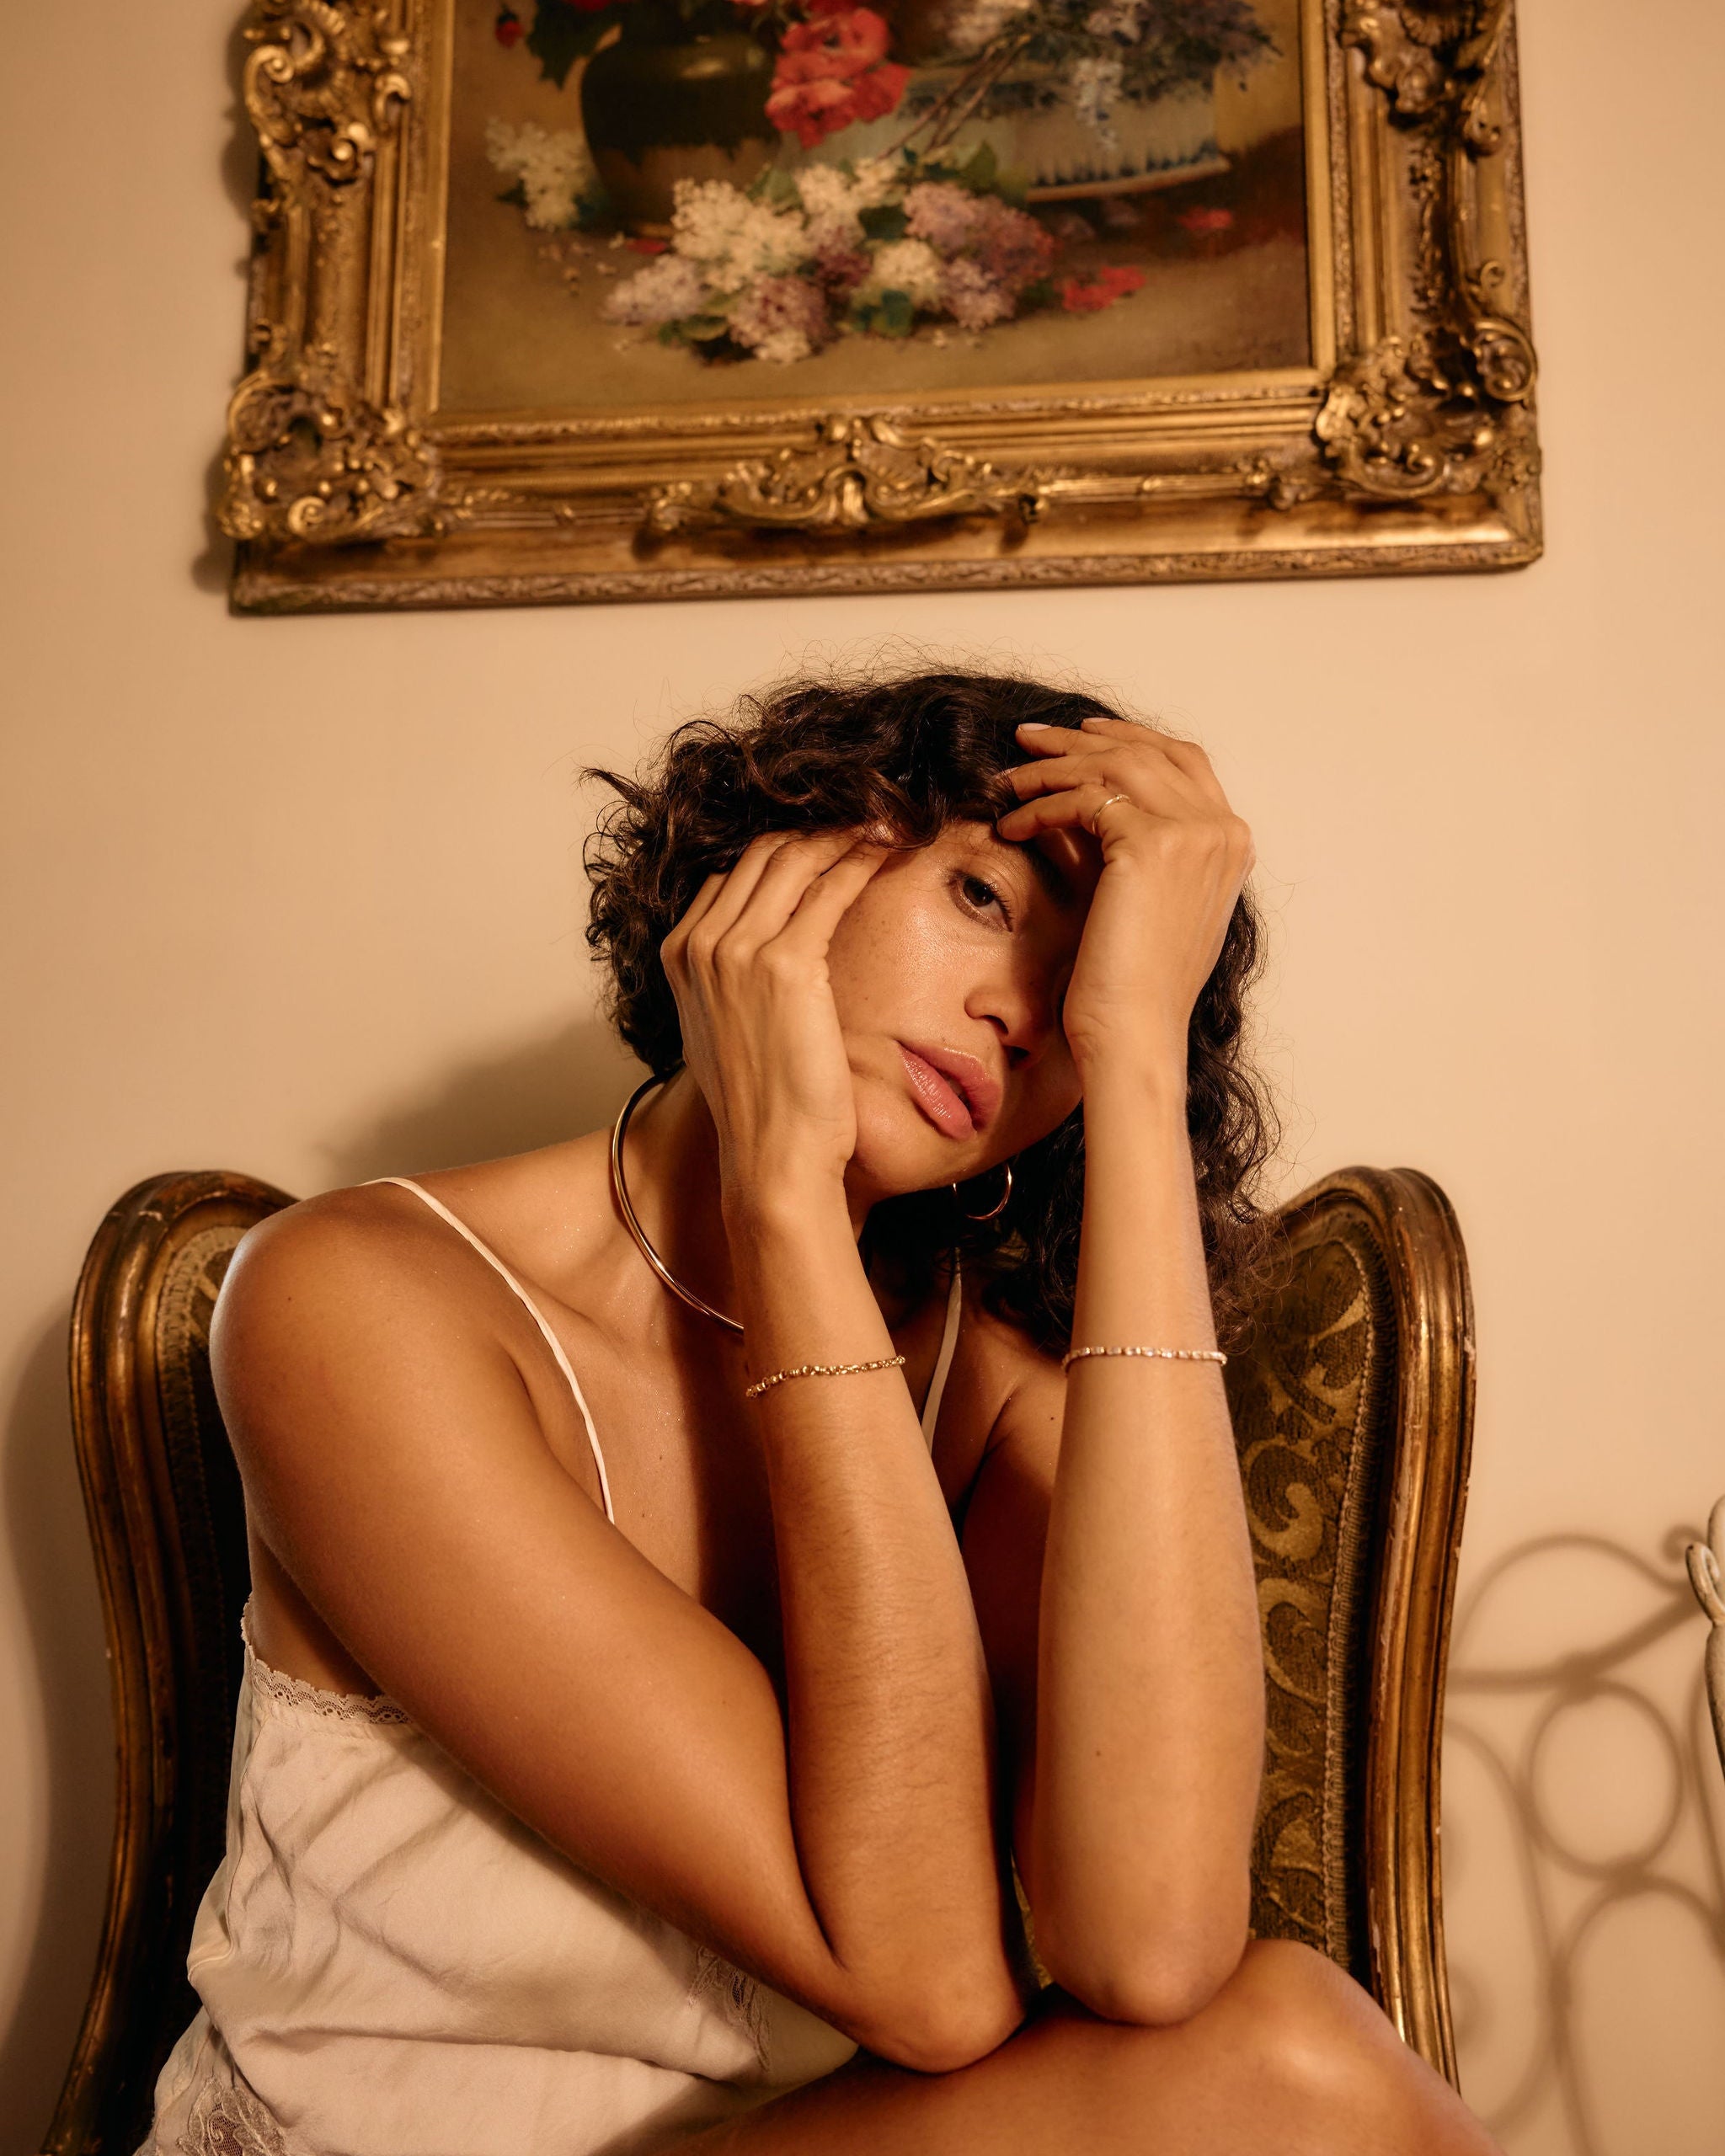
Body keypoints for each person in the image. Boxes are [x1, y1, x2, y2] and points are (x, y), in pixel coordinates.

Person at [139, 669, 1501, 2156]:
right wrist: (782, 1195)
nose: (1017, 1015)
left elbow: (1154, 1943)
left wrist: (1133, 1071)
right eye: (983, 898)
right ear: (785, 858)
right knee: (1297, 2071)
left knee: (1285, 2041)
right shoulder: (355, 1302)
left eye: (1091, 979)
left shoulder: (988, 1371)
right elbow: (927, 1988)